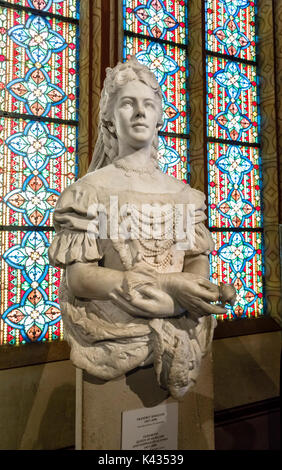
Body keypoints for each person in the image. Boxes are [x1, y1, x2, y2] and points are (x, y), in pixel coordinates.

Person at [48, 57, 234, 399]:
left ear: (160, 115)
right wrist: (168, 285)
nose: (139, 113)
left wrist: (199, 290)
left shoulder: (181, 194)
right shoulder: (94, 191)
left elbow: (193, 258)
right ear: (109, 116)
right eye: (128, 104)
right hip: (114, 332)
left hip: (182, 327)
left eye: (148, 104)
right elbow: (80, 278)